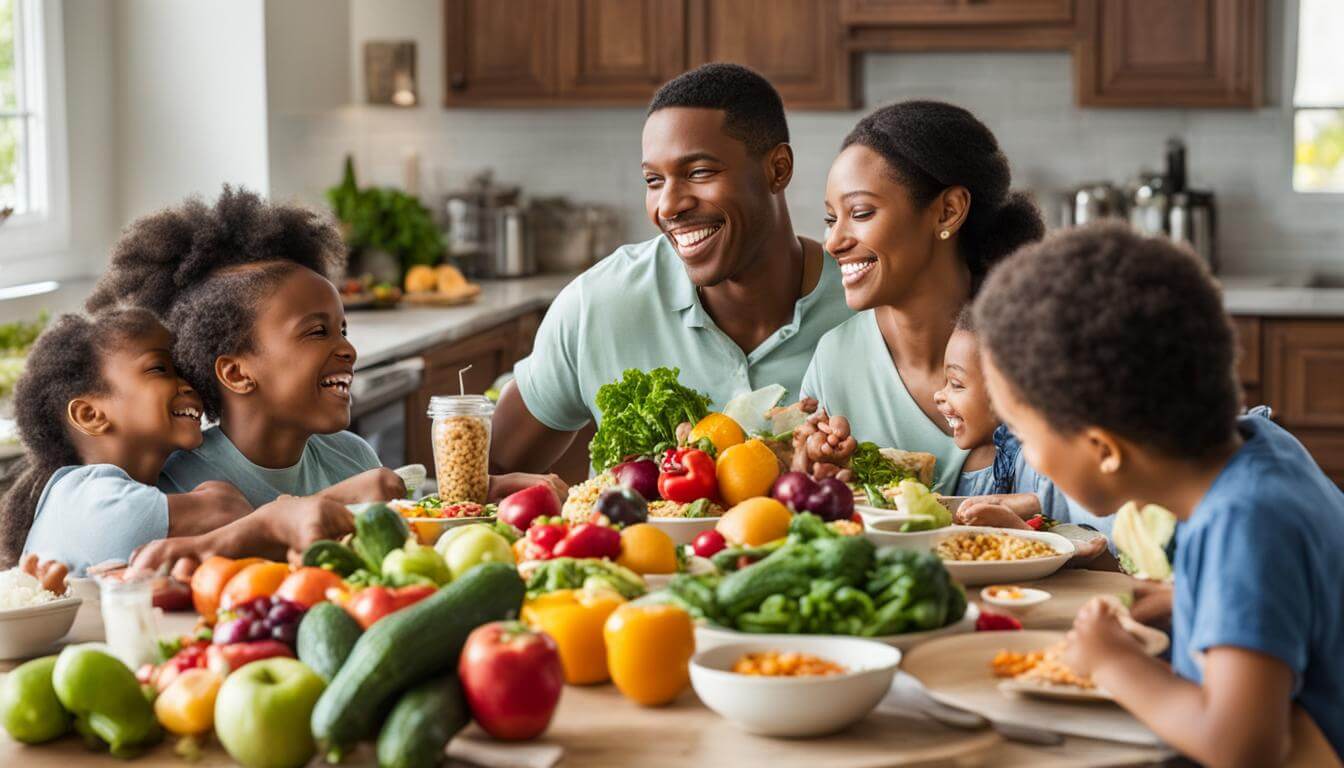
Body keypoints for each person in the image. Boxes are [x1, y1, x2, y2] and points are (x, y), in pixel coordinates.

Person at [974, 222, 1344, 764]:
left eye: (1025, 437)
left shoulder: (1245, 522)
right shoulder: (1256, 451)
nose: (1027, 457)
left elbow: (1244, 746)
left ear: (1104, 449)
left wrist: (1112, 663)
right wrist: (1184, 598)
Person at [83, 188, 560, 568]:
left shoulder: (351, 457)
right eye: (317, 332)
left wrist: (473, 506)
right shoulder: (178, 484)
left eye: (343, 330)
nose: (347, 349)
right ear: (236, 372)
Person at [491, 63, 852, 474]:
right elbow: (492, 468)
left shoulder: (866, 306)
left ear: (778, 169)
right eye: (654, 180)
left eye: (699, 172)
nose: (668, 206)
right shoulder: (598, 303)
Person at [800, 101, 1045, 493]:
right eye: (831, 219)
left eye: (860, 213)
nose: (833, 242)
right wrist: (814, 483)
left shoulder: (1035, 352)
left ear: (948, 211)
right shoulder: (835, 363)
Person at [0, 309, 251, 573]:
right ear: (90, 415)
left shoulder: (78, 493)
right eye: (159, 368)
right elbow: (227, 510)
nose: (187, 385)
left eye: (182, 371)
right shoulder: (95, 501)